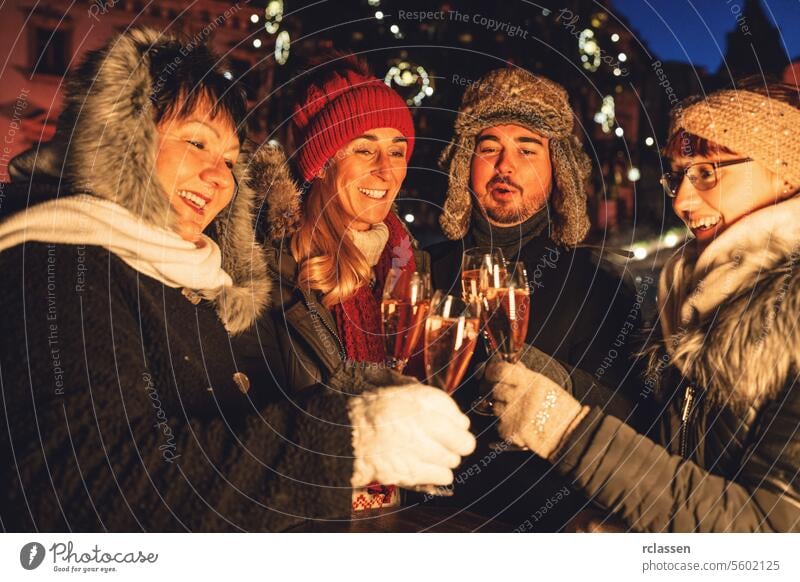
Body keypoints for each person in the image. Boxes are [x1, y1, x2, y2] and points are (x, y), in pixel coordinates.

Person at [0, 29, 473, 531]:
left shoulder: (210, 279)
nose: (219, 176)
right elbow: (88, 484)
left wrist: (380, 397)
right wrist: (350, 441)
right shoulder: (55, 268)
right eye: (197, 142)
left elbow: (268, 404)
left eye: (229, 160)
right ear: (122, 141)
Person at [488, 80, 800, 532]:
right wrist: (548, 380)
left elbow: (772, 535)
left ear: (787, 173)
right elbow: (678, 448)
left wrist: (562, 428)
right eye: (676, 176)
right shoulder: (703, 293)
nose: (682, 200)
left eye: (708, 172)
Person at [257, 53, 475, 513]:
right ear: (320, 164)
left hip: (393, 514)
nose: (386, 168)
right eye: (363, 148)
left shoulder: (406, 264)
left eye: (397, 150)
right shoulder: (268, 276)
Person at [425, 67, 642, 529]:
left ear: (555, 168)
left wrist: (555, 383)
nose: (506, 166)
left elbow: (634, 424)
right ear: (466, 162)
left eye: (527, 149)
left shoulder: (600, 292)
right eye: (489, 149)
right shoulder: (419, 271)